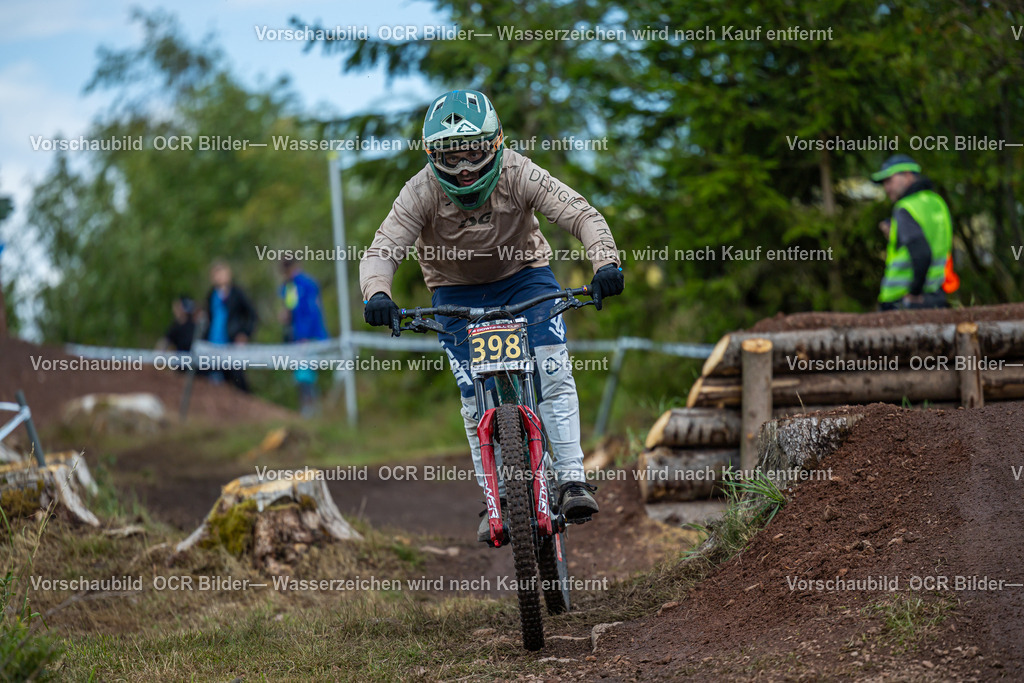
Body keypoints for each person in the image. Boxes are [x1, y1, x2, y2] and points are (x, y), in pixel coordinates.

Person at [359, 89, 623, 542]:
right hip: (454, 292)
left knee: (554, 369)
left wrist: (606, 262)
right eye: (449, 155)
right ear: (431, 156)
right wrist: (377, 292)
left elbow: (582, 215)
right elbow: (383, 248)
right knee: (470, 393)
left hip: (525, 276)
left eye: (474, 151)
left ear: (496, 144)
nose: (463, 168)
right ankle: (496, 497)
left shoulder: (520, 171)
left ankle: (573, 479)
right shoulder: (419, 190)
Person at [871, 154, 958, 310]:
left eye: (889, 180)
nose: (887, 187)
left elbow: (921, 253)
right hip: (935, 295)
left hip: (903, 300)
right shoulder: (936, 202)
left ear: (907, 175)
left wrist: (914, 293)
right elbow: (934, 240)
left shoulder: (905, 207)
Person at [279, 258, 329, 417]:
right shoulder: (290, 286)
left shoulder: (306, 284)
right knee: (301, 374)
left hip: (308, 337)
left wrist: (306, 335)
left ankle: (312, 409)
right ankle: (307, 408)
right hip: (297, 337)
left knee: (305, 373)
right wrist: (286, 315)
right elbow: (292, 309)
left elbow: (312, 312)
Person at [203, 260, 257, 392]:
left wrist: (244, 333)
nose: (219, 277)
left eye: (221, 273)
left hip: (232, 342)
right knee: (215, 377)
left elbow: (252, 315)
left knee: (237, 377)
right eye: (216, 274)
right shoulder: (211, 295)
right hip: (213, 341)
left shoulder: (237, 293)